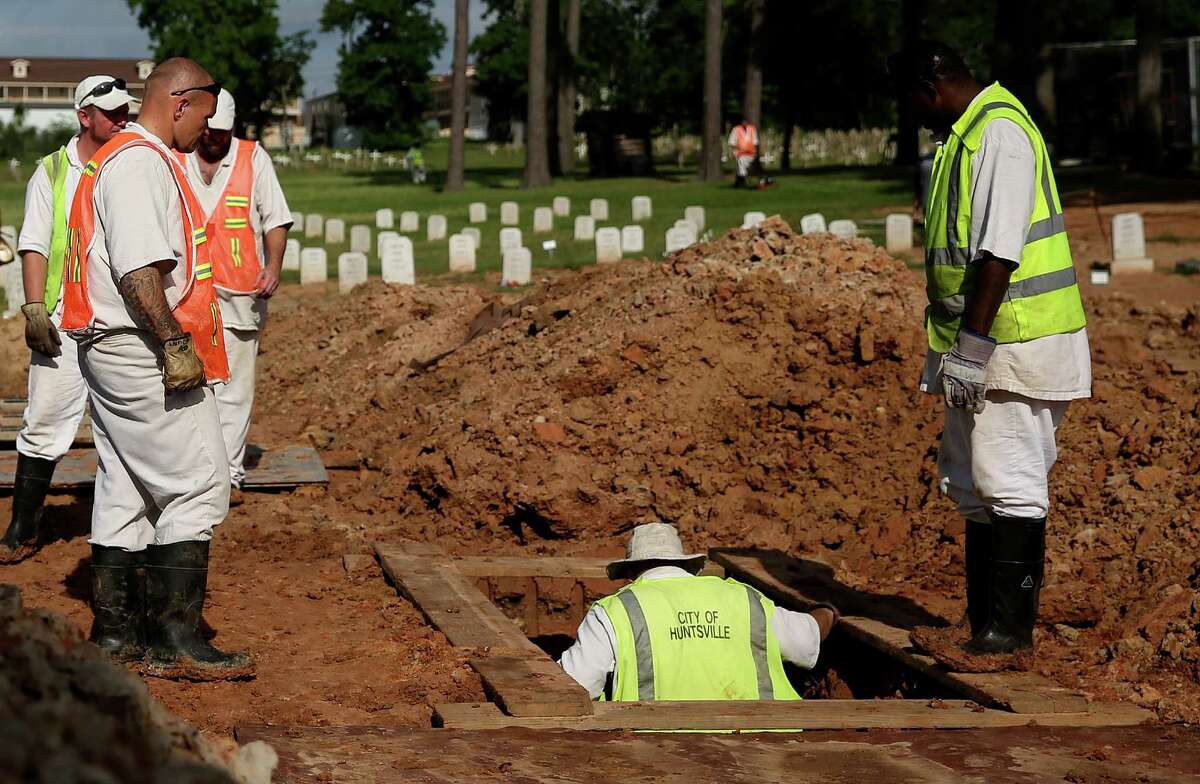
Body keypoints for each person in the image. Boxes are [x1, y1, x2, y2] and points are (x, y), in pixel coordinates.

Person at [887, 43, 1090, 672]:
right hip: (981, 344)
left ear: (933, 84)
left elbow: (999, 254)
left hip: (1015, 342)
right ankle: (984, 626)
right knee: (972, 482)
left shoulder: (999, 134)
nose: (912, 119)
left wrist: (972, 348)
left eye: (911, 104)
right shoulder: (965, 136)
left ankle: (1009, 637)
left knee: (1011, 482)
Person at [60, 57, 253, 680]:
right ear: (180, 103)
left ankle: (119, 636)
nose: (206, 128)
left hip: (110, 346)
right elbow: (139, 272)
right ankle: (175, 639)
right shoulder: (142, 163)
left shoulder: (120, 157)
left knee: (127, 485)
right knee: (197, 481)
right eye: (203, 113)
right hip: (142, 345)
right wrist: (173, 343)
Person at [0, 76, 133, 563]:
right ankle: (23, 525)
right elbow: (34, 243)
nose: (122, 118)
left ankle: (131, 529)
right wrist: (35, 309)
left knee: (126, 422)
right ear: (84, 116)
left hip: (121, 316)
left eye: (125, 110)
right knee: (45, 421)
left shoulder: (132, 158)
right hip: (63, 317)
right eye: (112, 112)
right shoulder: (52, 172)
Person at [559, 523, 837, 701]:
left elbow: (575, 686)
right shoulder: (742, 598)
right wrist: (828, 611)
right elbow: (807, 639)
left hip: (660, 756)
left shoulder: (614, 611)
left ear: (630, 572)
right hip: (767, 750)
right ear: (687, 566)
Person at [176, 89, 291, 502]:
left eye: (222, 133)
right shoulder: (178, 156)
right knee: (189, 383)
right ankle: (193, 471)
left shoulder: (253, 158)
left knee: (235, 387)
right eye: (208, 132)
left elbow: (275, 218)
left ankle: (229, 475)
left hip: (241, 293)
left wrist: (273, 266)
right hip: (187, 296)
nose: (213, 140)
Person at [727, 115, 759, 188]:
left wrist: (756, 152)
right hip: (740, 154)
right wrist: (738, 148)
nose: (744, 123)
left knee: (742, 167)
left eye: (746, 121)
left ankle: (739, 182)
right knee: (741, 164)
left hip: (751, 153)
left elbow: (755, 141)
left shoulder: (752, 129)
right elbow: (731, 142)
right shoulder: (736, 129)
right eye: (743, 121)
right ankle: (741, 182)